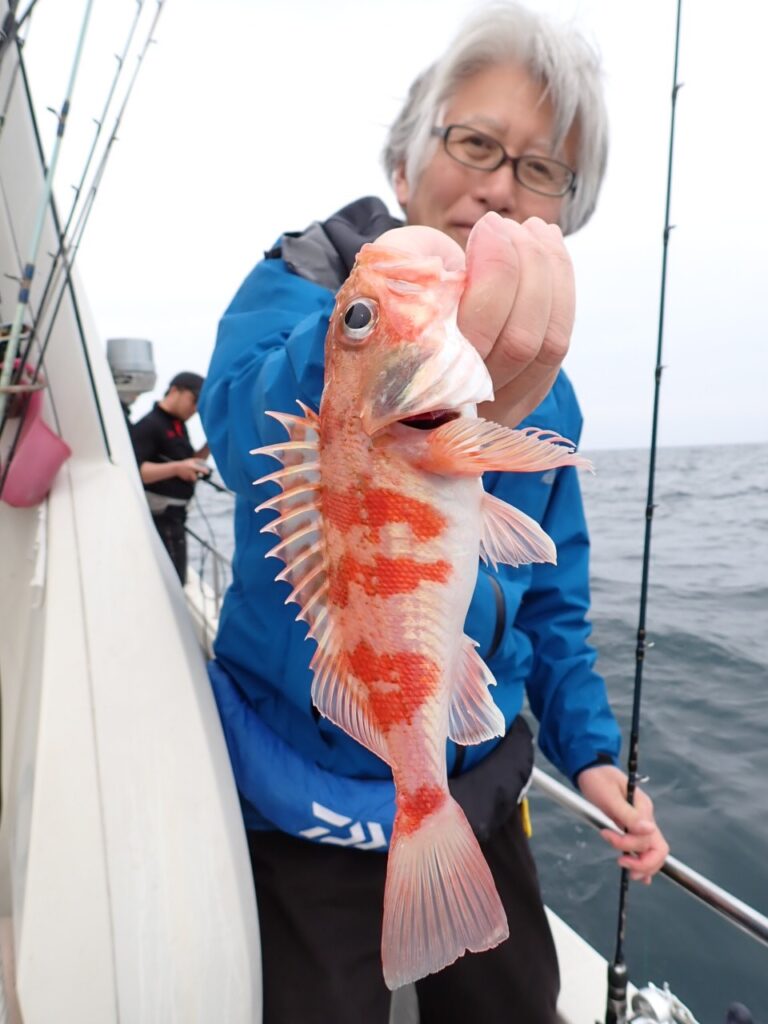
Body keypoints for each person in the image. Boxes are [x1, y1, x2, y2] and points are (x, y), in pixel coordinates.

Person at [199, 4, 670, 1022]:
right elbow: (237, 433)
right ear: (404, 162)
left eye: (540, 168)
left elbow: (551, 607)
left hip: (475, 782)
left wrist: (592, 756)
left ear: (560, 217)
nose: (498, 183)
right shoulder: (309, 284)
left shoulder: (553, 397)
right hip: (304, 799)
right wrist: (368, 338)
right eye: (476, 142)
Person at [132, 370, 210, 583]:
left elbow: (189, 461)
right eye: (194, 400)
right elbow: (135, 471)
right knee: (173, 581)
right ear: (175, 391)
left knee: (177, 579)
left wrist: (211, 443)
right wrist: (177, 468)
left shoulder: (178, 425)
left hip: (177, 516)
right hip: (160, 519)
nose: (195, 409)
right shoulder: (149, 425)